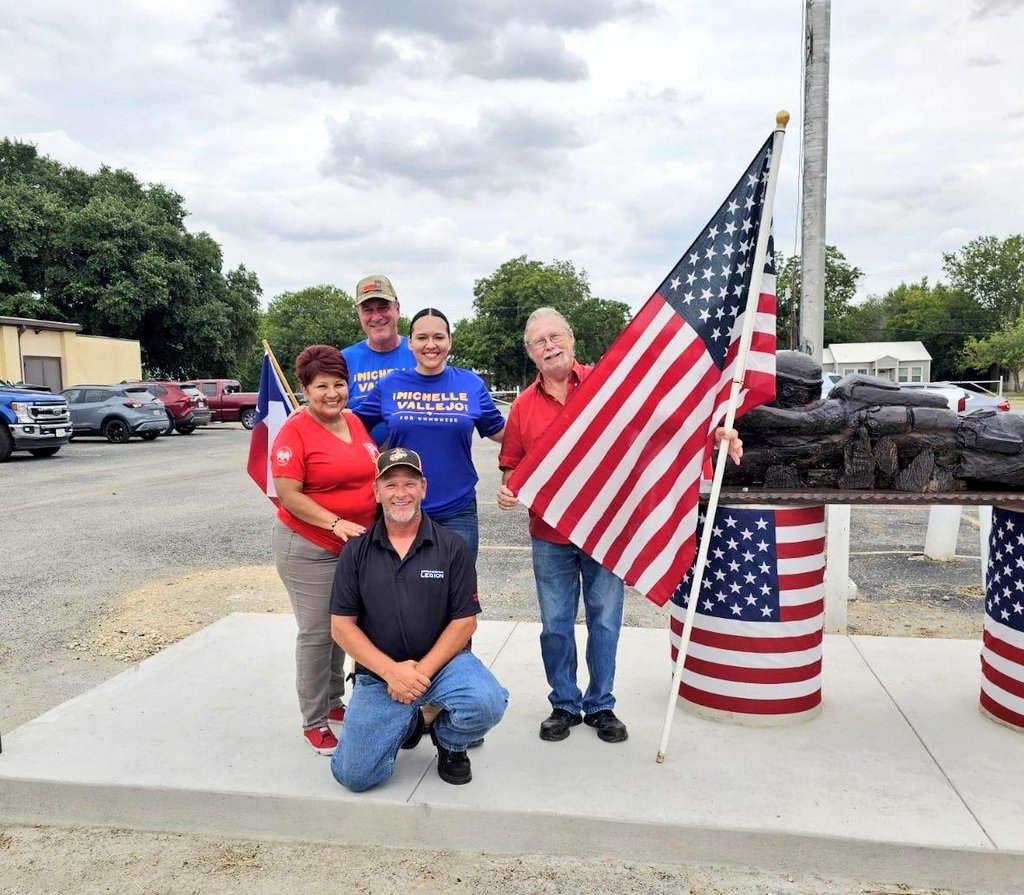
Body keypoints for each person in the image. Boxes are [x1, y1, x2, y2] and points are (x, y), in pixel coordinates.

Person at [497, 308, 742, 745]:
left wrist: (715, 430)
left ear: (571, 337)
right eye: (539, 341)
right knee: (555, 624)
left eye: (555, 336)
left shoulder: (606, 386)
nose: (549, 346)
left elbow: (663, 420)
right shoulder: (521, 407)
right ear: (530, 352)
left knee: (604, 621)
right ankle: (564, 703)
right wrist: (506, 492)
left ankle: (601, 704)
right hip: (549, 537)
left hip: (605, 530)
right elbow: (512, 468)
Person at [329, 447, 508, 791]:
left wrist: (416, 676)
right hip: (379, 674)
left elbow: (464, 623)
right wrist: (392, 673)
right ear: (376, 491)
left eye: (409, 483)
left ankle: (450, 742)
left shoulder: (452, 546)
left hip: (441, 667)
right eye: (391, 484)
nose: (401, 493)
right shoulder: (356, 551)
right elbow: (342, 626)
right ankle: (406, 723)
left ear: (423, 487)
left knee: (487, 702)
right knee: (353, 777)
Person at [271, 345, 378, 755]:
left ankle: (335, 704)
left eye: (339, 384)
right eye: (321, 386)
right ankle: (313, 721)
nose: (332, 393)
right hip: (310, 546)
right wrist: (333, 522)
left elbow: (365, 470)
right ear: (304, 389)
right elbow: (287, 494)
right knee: (317, 633)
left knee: (342, 629)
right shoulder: (294, 431)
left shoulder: (352, 422)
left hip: (353, 546)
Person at [353, 308, 504, 561]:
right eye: (422, 338)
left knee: (458, 592)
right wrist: (308, 418)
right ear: (410, 343)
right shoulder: (390, 385)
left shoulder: (471, 384)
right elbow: (351, 426)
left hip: (458, 510)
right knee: (403, 591)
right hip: (402, 506)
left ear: (449, 341)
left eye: (439, 337)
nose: (431, 345)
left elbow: (503, 433)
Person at [341, 274, 416, 445]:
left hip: (416, 466)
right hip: (361, 466)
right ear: (359, 314)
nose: (376, 317)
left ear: (397, 308)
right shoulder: (342, 360)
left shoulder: (419, 354)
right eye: (368, 310)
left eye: (383, 307)